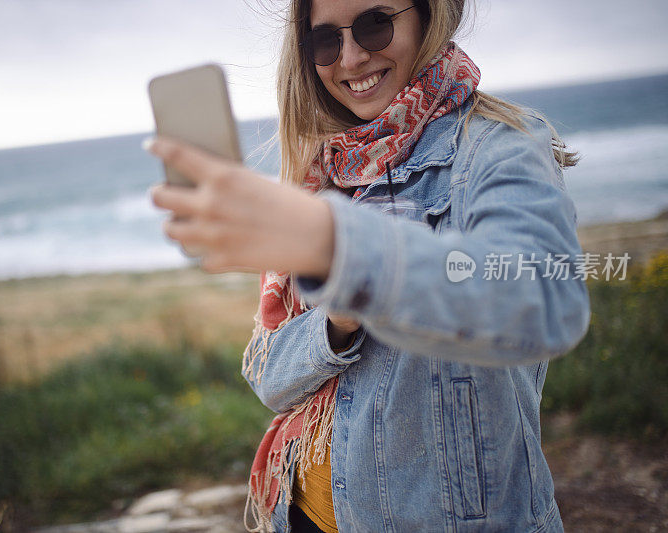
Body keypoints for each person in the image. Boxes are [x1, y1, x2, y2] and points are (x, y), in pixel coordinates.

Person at [147, 0, 591, 531]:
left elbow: (545, 302)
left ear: (428, 18)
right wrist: (335, 324)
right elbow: (269, 378)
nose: (352, 58)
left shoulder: (502, 147)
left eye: (374, 24)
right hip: (302, 512)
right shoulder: (323, 172)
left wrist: (338, 249)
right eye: (325, 40)